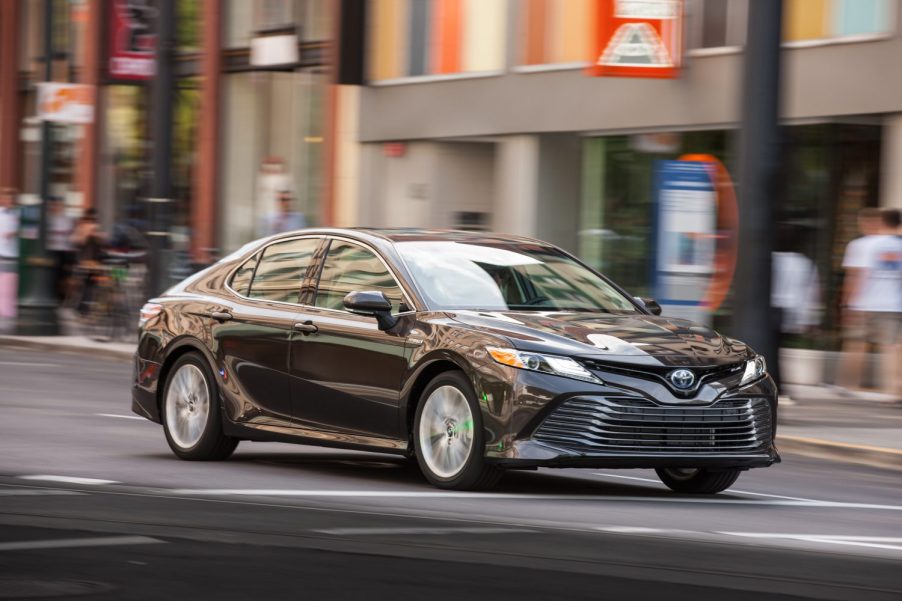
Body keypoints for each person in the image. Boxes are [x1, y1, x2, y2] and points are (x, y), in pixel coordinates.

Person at [839, 208, 902, 397]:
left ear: (881, 221)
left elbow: (857, 275)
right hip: (894, 303)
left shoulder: (864, 244)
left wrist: (847, 302)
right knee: (891, 347)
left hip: (865, 302)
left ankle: (849, 385)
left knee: (856, 344)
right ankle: (894, 390)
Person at [47, 197, 75, 301]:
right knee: (52, 275)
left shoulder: (67, 219)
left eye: (59, 205)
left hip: (64, 251)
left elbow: (71, 235)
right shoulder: (48, 218)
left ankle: (62, 297)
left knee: (63, 277)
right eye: (54, 205)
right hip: (52, 251)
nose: (56, 207)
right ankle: (53, 296)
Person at [0, 188, 19, 320]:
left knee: (10, 285)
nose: (9, 201)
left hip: (13, 255)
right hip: (1, 252)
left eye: (11, 199)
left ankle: (8, 312)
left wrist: (15, 233)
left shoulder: (18, 214)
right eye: (7, 198)